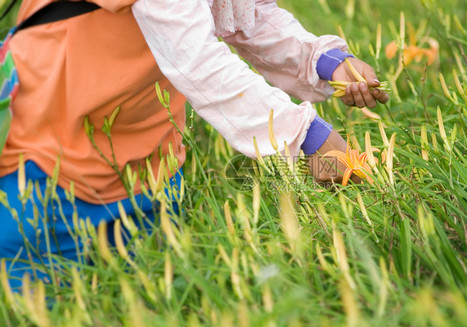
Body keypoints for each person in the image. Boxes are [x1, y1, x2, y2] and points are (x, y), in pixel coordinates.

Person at [0, 0, 388, 288]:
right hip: (48, 158)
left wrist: (328, 62)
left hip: (147, 159)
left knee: (140, 298)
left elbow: (245, 16)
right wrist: (309, 138)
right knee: (48, 308)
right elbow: (198, 58)